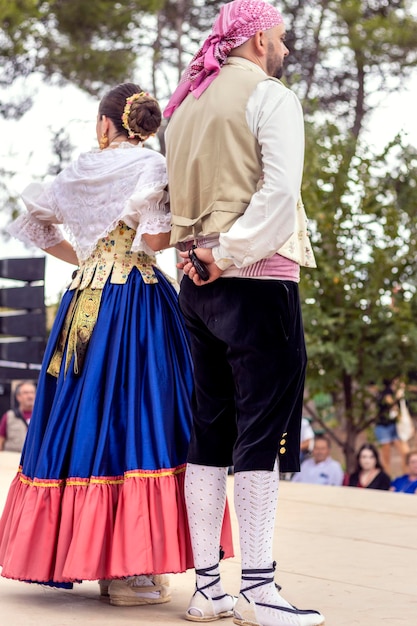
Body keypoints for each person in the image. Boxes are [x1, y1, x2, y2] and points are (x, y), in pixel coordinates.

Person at [0, 82, 233, 604]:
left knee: (83, 418)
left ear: (106, 124)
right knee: (145, 415)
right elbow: (152, 240)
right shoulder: (152, 168)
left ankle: (92, 558)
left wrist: (84, 260)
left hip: (83, 303)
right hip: (135, 300)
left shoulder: (78, 170)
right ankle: (132, 570)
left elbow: (36, 224)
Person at [164, 2, 324, 625]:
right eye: (280, 37)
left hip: (195, 287)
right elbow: (279, 193)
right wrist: (226, 252)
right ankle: (259, 588)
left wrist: (195, 252)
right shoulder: (270, 96)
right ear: (258, 38)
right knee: (261, 434)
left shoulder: (184, 104)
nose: (284, 47)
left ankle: (209, 588)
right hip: (256, 281)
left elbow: (164, 195)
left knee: (209, 433)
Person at [374, 378, 409, 474]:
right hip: (384, 426)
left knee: (405, 454)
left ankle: (407, 476)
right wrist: (398, 396)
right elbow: (392, 405)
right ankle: (387, 479)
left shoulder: (397, 393)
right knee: (386, 456)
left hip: (395, 426)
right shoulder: (387, 392)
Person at [0, 381, 36, 452]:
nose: (30, 396)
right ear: (18, 397)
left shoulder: (43, 417)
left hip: (33, 460)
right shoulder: (9, 416)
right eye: (26, 393)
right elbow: (1, 440)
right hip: (12, 459)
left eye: (32, 392)